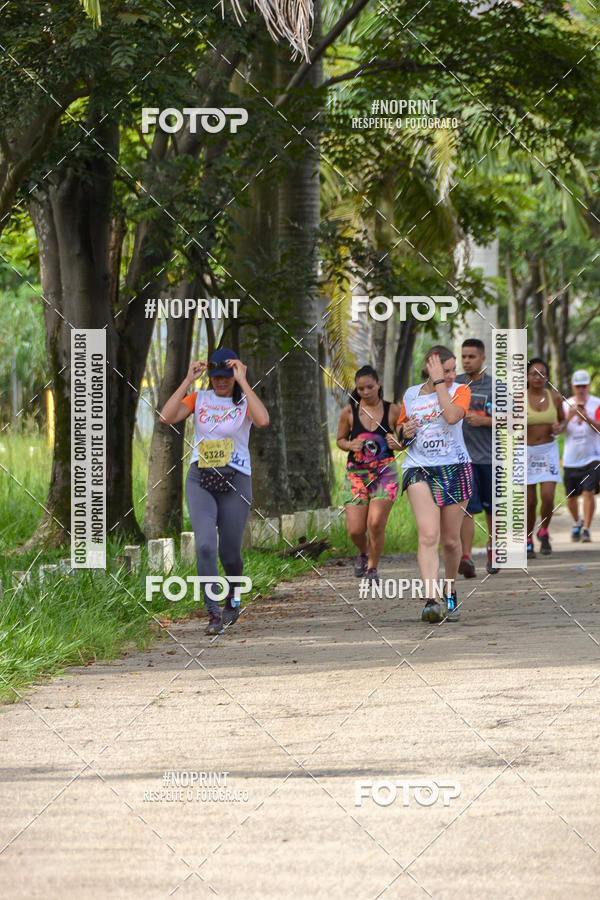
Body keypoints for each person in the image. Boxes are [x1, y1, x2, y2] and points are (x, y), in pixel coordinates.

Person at [159, 348, 269, 635]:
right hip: (201, 478)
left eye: (227, 376)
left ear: (234, 374)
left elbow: (263, 420)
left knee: (230, 552)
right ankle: (213, 614)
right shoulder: (201, 398)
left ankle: (233, 595)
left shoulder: (244, 399)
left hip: (236, 480)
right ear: (210, 376)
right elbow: (166, 417)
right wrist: (187, 380)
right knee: (206, 545)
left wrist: (243, 381)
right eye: (216, 376)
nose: (221, 382)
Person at [397, 346, 472, 623]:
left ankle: (449, 590)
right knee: (429, 535)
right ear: (430, 367)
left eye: (453, 370)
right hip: (419, 468)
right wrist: (403, 432)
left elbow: (452, 417)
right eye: (445, 369)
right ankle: (431, 600)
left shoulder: (461, 390)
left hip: (455, 467)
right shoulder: (411, 394)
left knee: (451, 541)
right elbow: (401, 433)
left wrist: (441, 382)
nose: (452, 374)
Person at [337, 365, 402, 584]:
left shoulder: (393, 409)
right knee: (355, 530)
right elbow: (340, 440)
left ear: (378, 385)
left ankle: (372, 567)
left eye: (370, 387)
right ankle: (364, 551)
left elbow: (405, 439)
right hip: (356, 474)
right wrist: (349, 444)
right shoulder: (349, 411)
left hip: (385, 473)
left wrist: (399, 443)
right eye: (361, 389)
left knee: (375, 524)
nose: (366, 392)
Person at [455, 338, 499, 578]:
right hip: (462, 460)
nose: (467, 361)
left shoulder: (496, 387)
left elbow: (514, 422)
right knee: (466, 510)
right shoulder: (455, 385)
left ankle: (493, 550)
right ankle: (467, 557)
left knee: (493, 509)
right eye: (464, 356)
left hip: (490, 459)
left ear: (483, 358)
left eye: (472, 356)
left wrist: (486, 421)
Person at [526, 358, 565, 557]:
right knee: (530, 501)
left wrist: (559, 428)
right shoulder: (518, 398)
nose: (538, 377)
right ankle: (527, 538)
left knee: (548, 496)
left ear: (547, 377)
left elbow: (563, 420)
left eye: (542, 373)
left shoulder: (555, 397)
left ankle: (544, 531)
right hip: (526, 453)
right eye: (533, 373)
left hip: (548, 451)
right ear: (527, 377)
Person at [562, 369, 600, 542]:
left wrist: (587, 419)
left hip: (592, 457)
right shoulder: (564, 404)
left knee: (588, 492)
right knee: (571, 498)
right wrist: (569, 416)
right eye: (578, 386)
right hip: (571, 459)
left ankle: (586, 528)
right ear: (573, 386)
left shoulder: (596, 404)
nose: (581, 390)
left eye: (584, 386)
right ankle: (577, 521)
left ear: (589, 386)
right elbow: (558, 431)